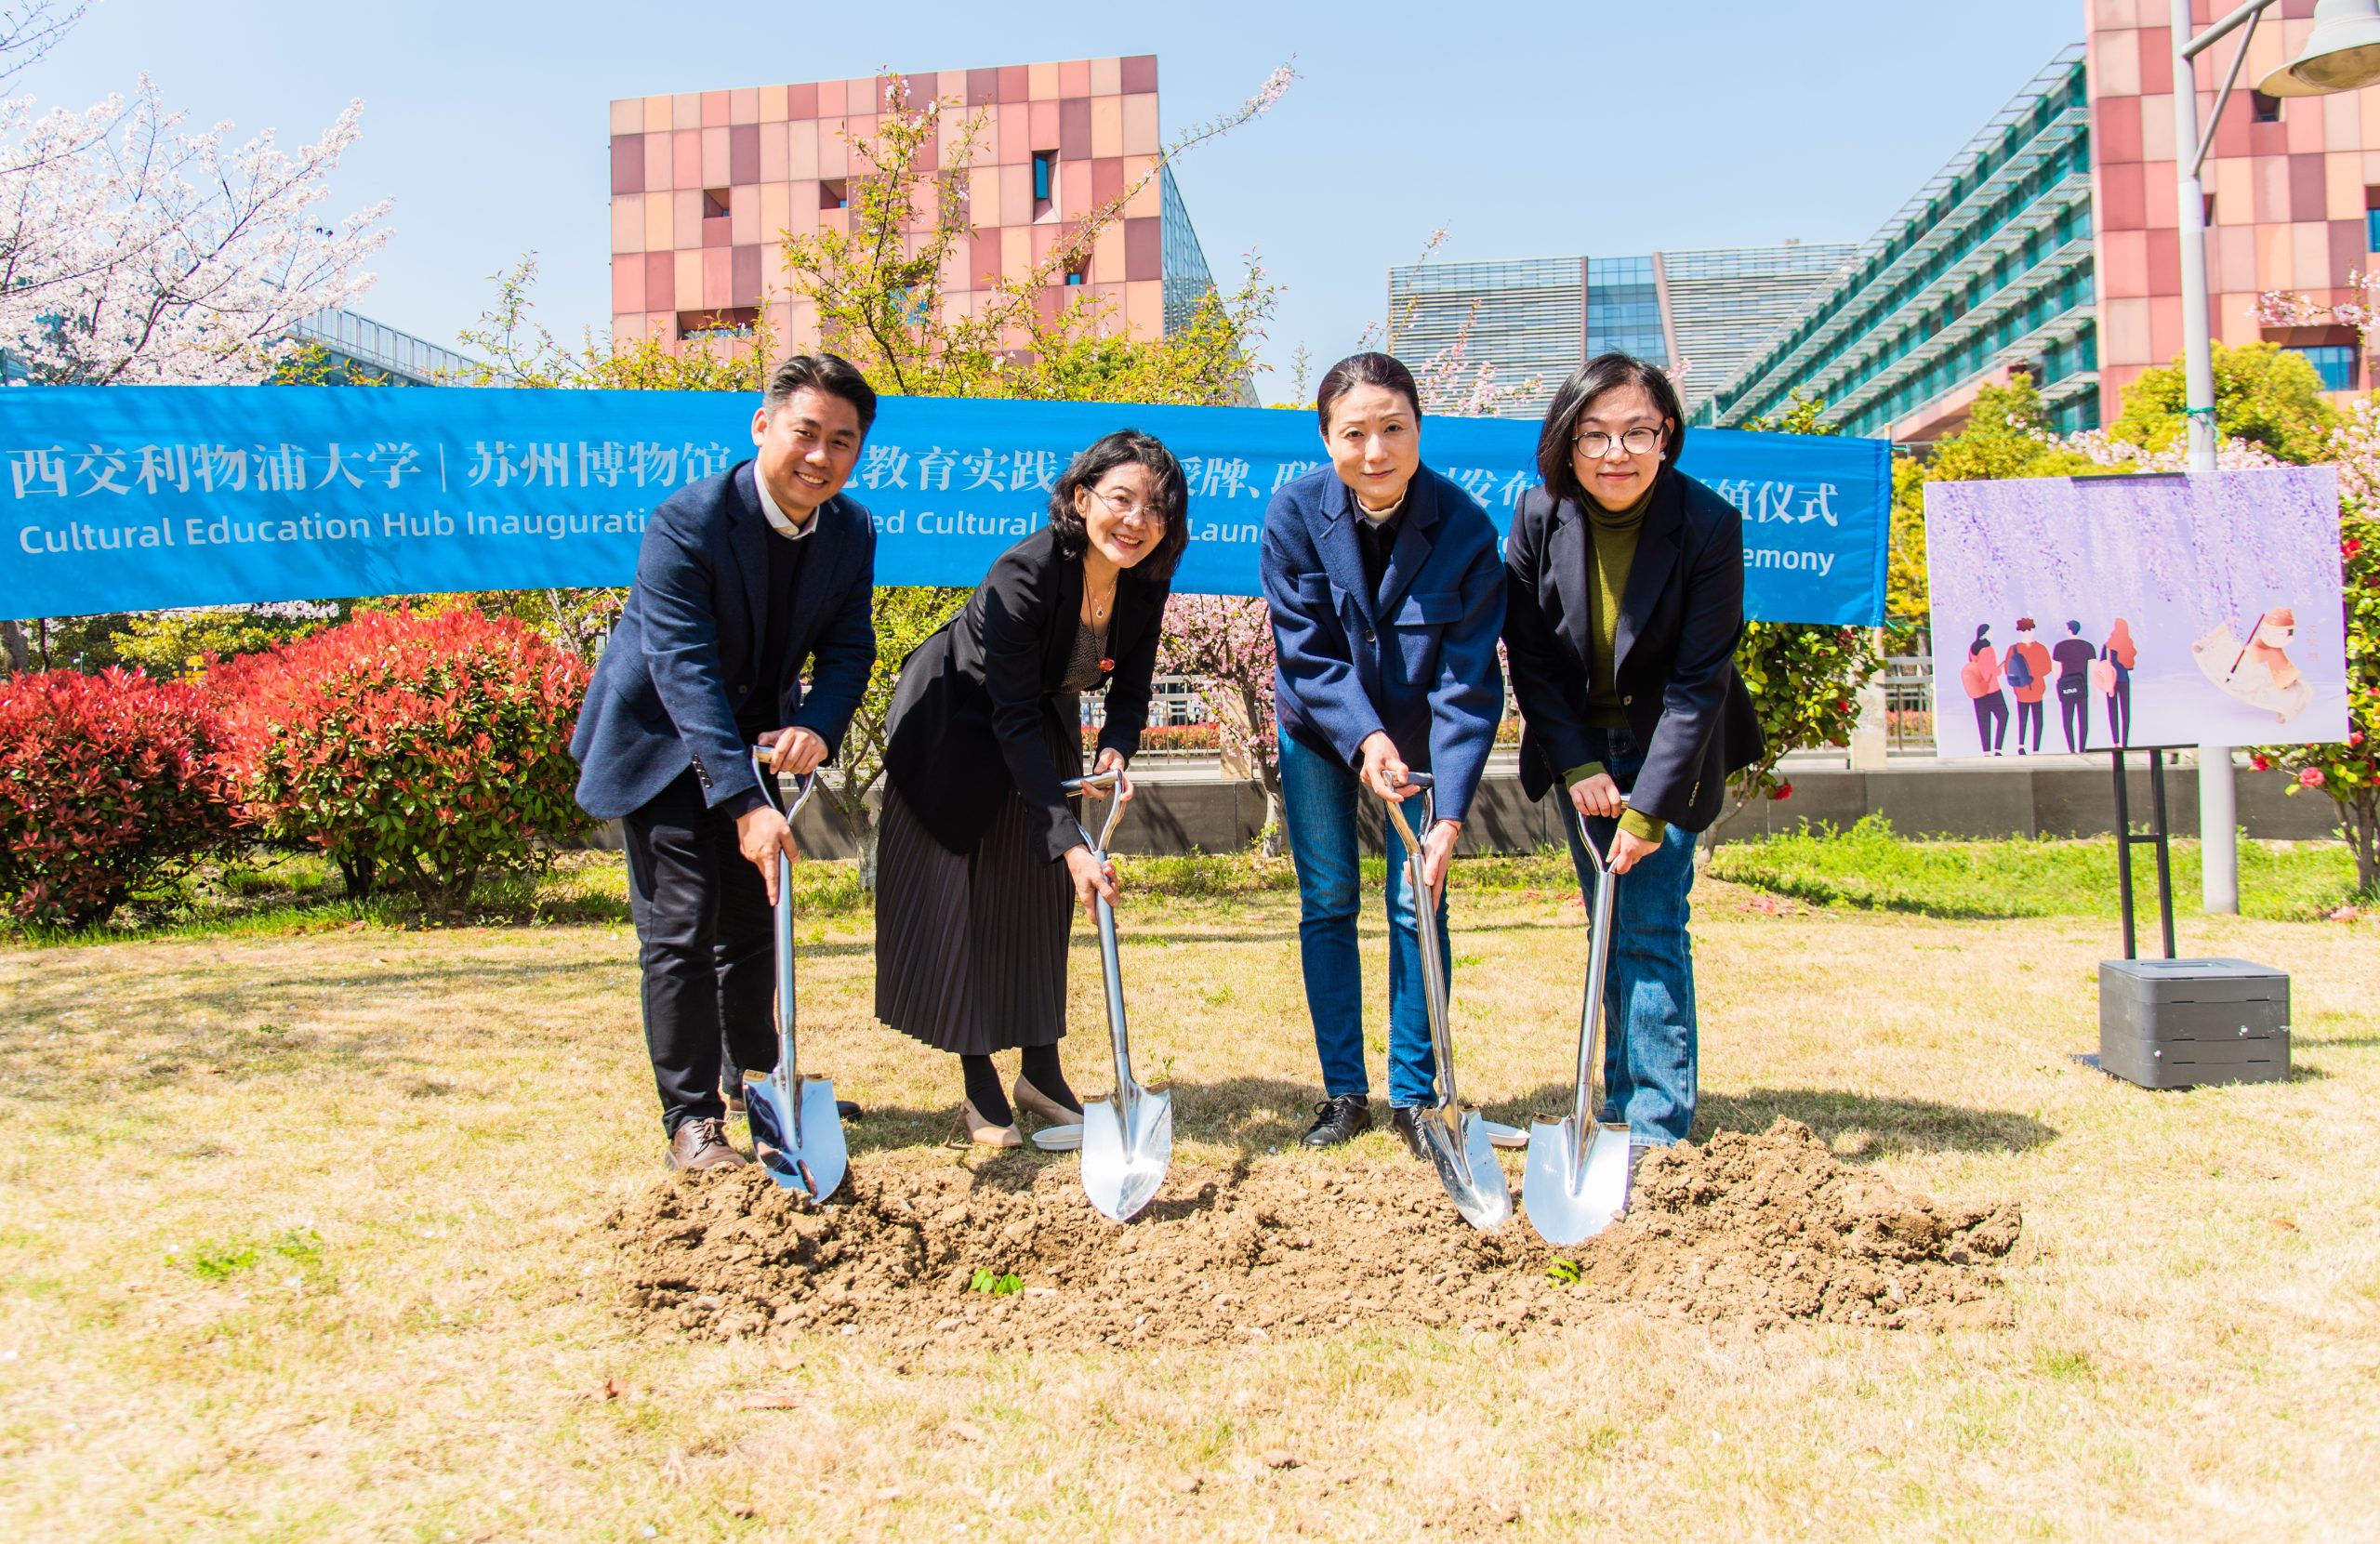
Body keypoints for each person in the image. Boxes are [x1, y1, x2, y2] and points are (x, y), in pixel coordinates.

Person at [571, 354, 879, 1172]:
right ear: (763, 427)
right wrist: (746, 803)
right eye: (804, 433)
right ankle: (692, 1118)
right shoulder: (690, 521)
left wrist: (814, 724)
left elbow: (849, 648)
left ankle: (757, 1079)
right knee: (681, 924)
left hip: (751, 737)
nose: (820, 457)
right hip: (662, 738)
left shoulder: (851, 530)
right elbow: (684, 669)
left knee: (752, 919)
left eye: (841, 442)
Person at [877, 430, 1187, 1146]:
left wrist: (1117, 744)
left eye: (1156, 508)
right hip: (955, 723)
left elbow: (1132, 686)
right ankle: (979, 1080)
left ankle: (1040, 1073)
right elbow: (1008, 716)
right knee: (970, 896)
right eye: (1121, 500)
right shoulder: (1026, 573)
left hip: (1038, 717)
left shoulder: (1146, 578)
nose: (1136, 521)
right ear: (1082, 499)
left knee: (1041, 900)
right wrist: (1071, 842)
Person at [1502, 353, 1764, 1157]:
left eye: (1637, 433)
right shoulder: (1540, 514)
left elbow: (1698, 682)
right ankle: (1619, 1099)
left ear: (1667, 436)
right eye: (1596, 435)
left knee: (1648, 922)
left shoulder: (1710, 525)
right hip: (1584, 745)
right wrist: (1577, 764)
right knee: (1610, 922)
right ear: (1567, 442)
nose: (1616, 453)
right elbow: (1533, 653)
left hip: (1670, 747)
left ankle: (1652, 1125)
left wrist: (1649, 808)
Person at [1260, 352, 1506, 1153]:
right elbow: (1306, 651)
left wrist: (1453, 812)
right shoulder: (1294, 514)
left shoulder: (1465, 528)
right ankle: (1343, 1094)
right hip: (1321, 732)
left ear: (1419, 429)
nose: (1376, 450)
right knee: (1329, 900)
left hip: (1427, 743)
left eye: (1393, 428)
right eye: (1354, 433)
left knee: (1418, 902)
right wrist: (1364, 736)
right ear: (1327, 440)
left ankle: (1414, 1093)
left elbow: (1469, 683)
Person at [1961, 623, 2009, 755]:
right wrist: (2002, 667)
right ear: (1985, 633)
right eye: (1990, 632)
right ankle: (1997, 749)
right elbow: (1991, 671)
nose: (1992, 634)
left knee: (1983, 720)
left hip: (1977, 689)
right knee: (2004, 715)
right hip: (1992, 689)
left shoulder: (1972, 649)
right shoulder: (1988, 649)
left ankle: (1986, 751)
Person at [2052, 618, 2097, 753]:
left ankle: (2071, 748)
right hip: (2082, 687)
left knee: (2067, 719)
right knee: (2083, 720)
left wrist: (2057, 687)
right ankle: (2082, 748)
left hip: (2066, 686)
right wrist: (2095, 691)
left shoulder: (2060, 647)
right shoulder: (2088, 646)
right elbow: (2093, 671)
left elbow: (2056, 671)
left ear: (2069, 630)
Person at [2007, 618, 2052, 755]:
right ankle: (2030, 748)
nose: (2028, 632)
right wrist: (2034, 675)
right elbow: (2047, 668)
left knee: (2026, 720)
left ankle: (2027, 746)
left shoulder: (2014, 649)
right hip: (2031, 690)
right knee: (2034, 721)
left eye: (2029, 629)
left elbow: (2008, 670)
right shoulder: (2039, 648)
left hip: (2026, 690)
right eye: (2026, 630)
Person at [2100, 617, 2137, 746]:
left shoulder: (2107, 645)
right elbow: (2130, 666)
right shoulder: (2128, 644)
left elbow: (2102, 663)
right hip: (2124, 680)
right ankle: (2125, 742)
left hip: (2110, 682)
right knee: (2125, 713)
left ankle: (2115, 742)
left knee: (2113, 711)